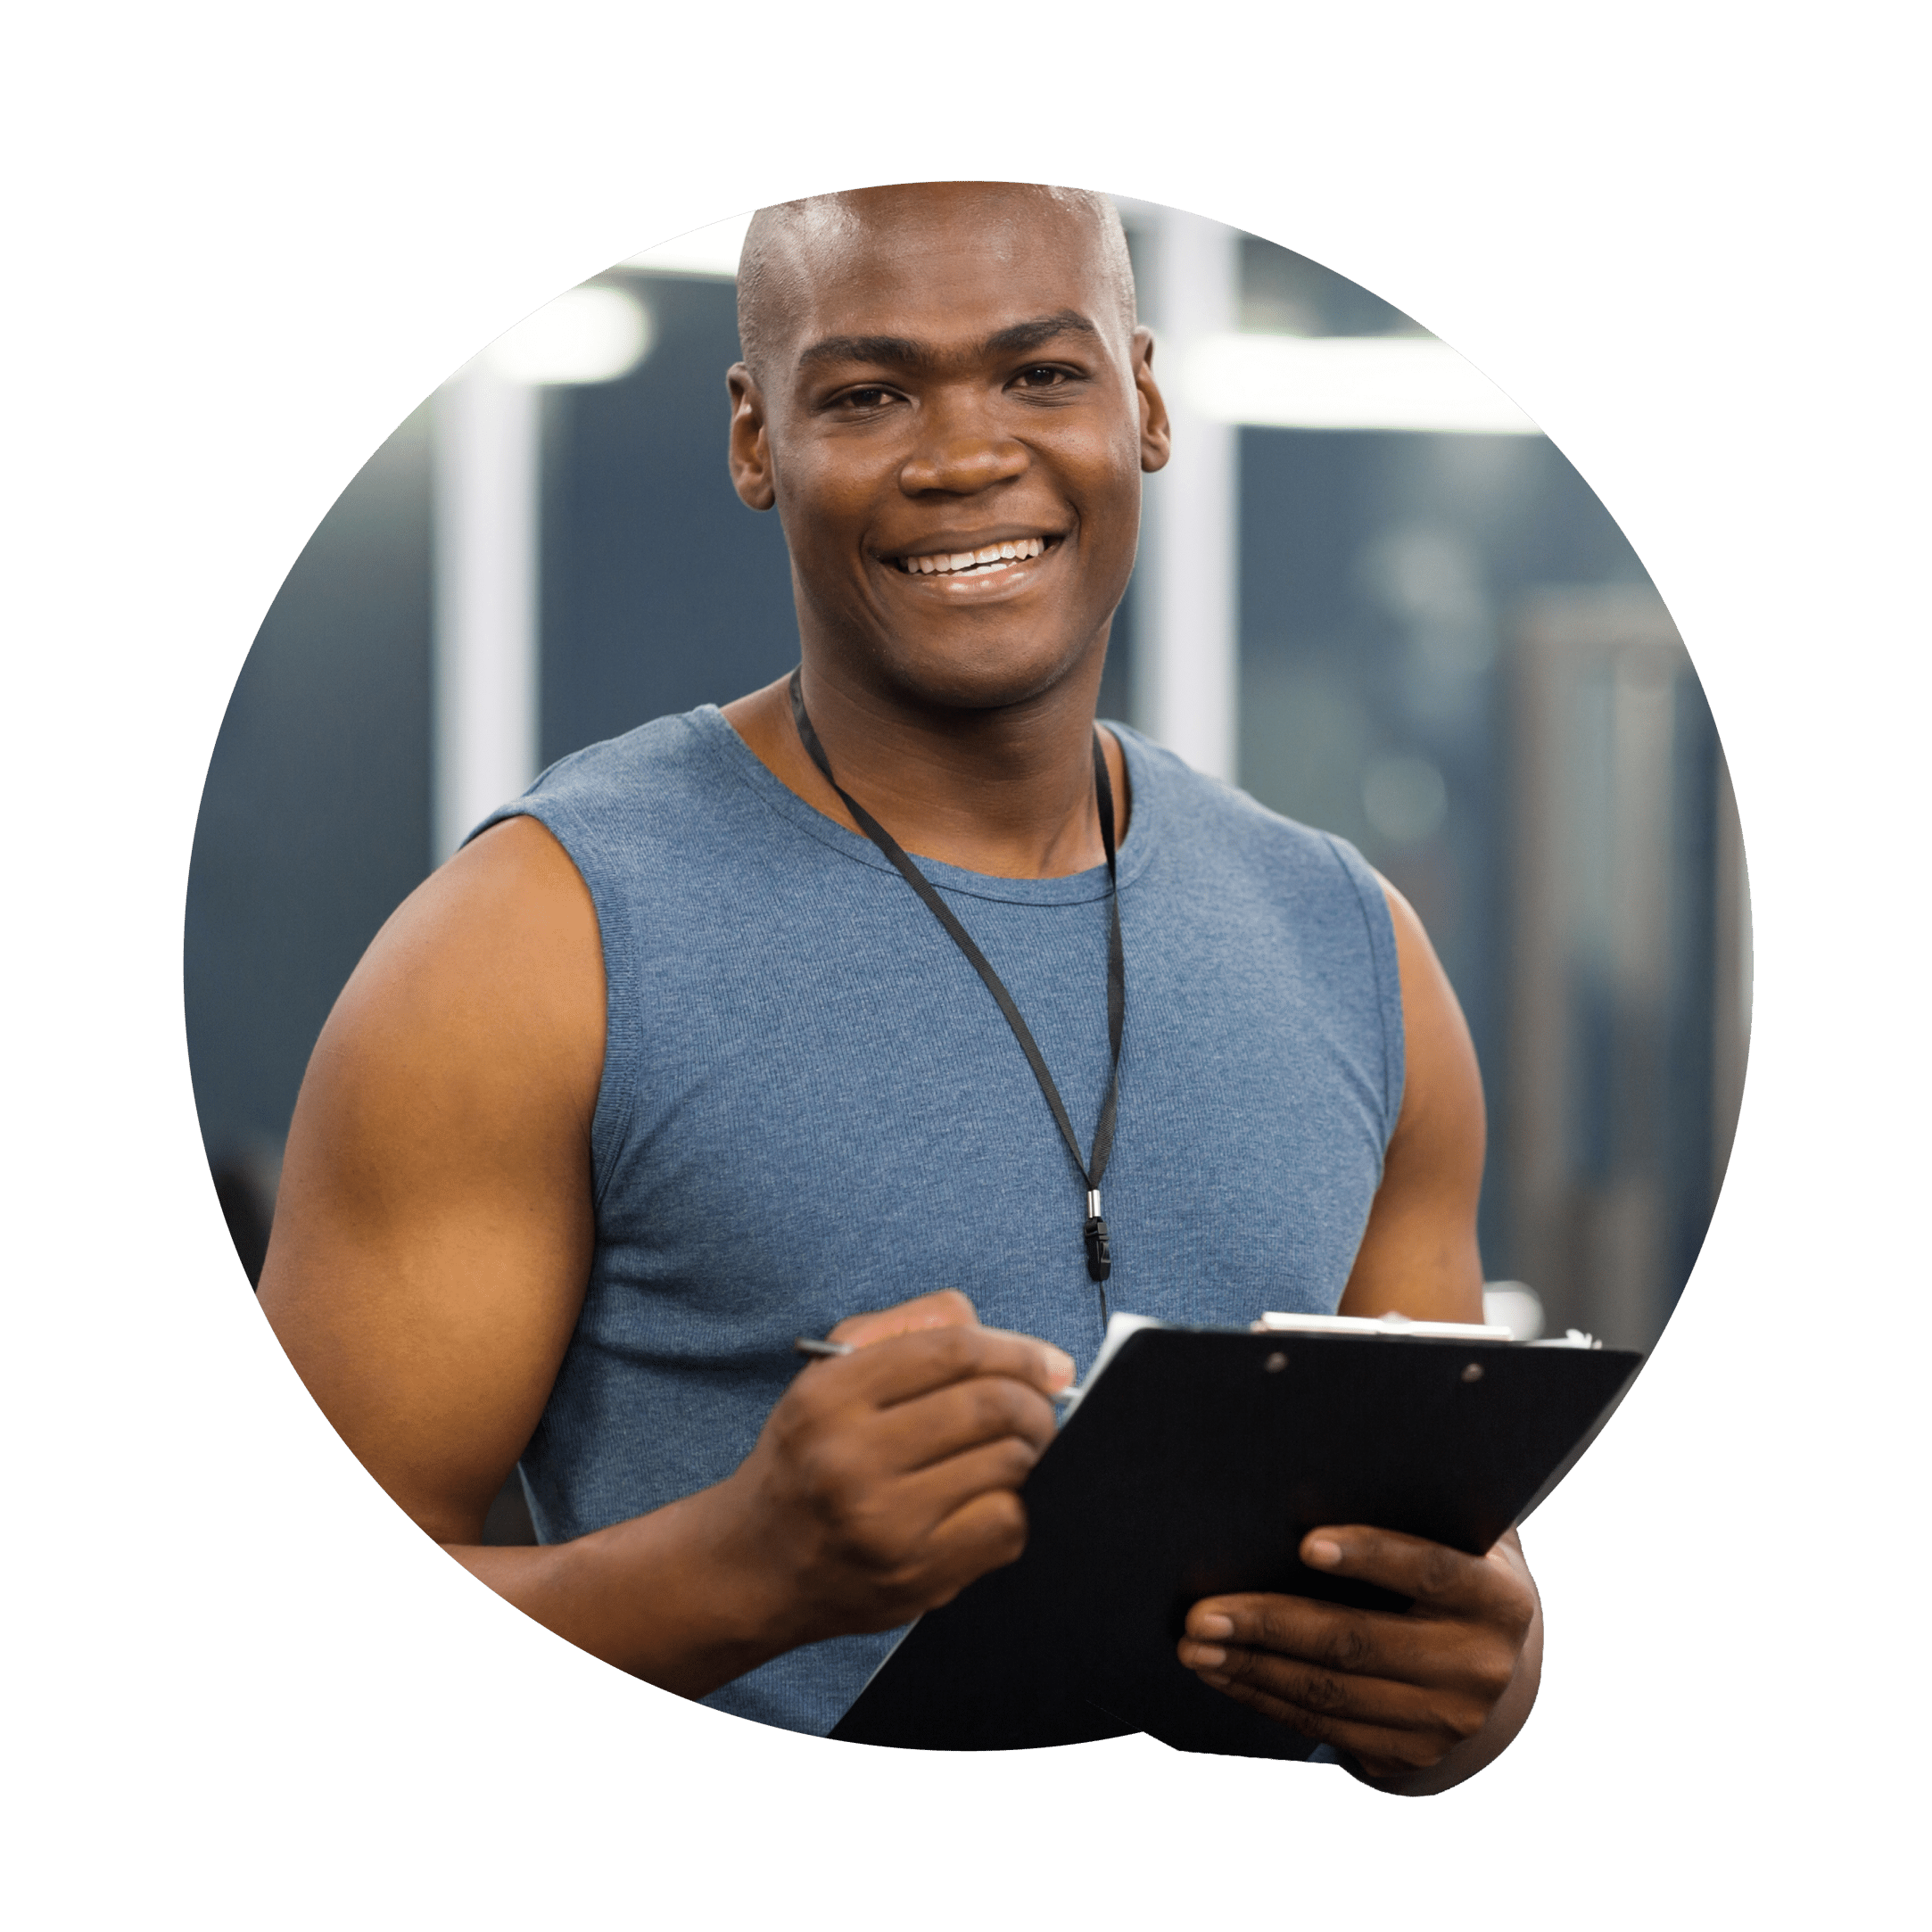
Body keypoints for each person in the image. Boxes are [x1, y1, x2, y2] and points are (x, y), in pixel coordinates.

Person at [258, 180, 1540, 1791]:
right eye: (867, 394)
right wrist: (737, 1570)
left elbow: (1433, 1576)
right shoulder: (531, 937)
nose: (961, 456)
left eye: (1039, 373)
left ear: (1141, 398)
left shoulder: (1352, 945)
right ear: (753, 438)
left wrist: (1477, 1678)